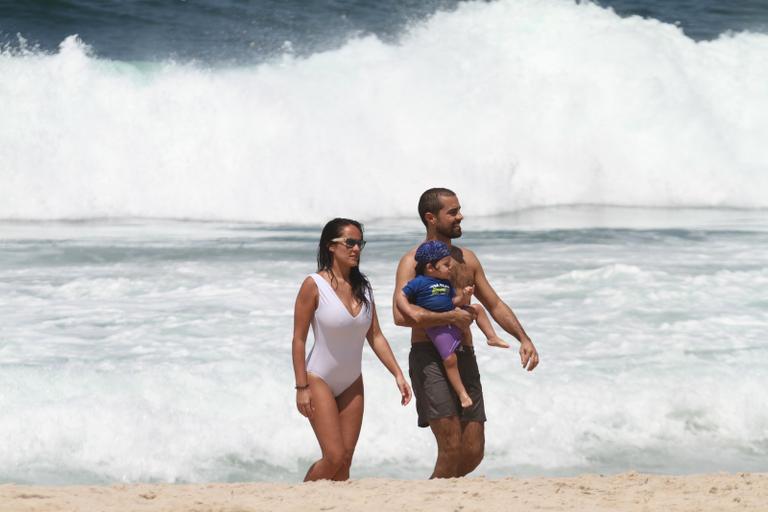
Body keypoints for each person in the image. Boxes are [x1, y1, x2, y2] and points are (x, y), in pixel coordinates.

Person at [393, 188, 539, 479]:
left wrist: (524, 338)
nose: (460, 216)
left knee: (473, 449)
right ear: (431, 218)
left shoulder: (467, 259)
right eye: (453, 212)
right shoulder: (413, 262)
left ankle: (435, 492)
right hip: (429, 356)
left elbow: (494, 304)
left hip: (463, 355)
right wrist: (449, 316)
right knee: (451, 445)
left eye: (459, 210)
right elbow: (400, 316)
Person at [292, 217, 412, 481]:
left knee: (345, 462)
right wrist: (301, 387)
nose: (357, 248)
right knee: (333, 456)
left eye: (360, 243)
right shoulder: (314, 285)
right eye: (350, 242)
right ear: (331, 246)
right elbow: (298, 340)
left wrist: (398, 374)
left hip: (352, 381)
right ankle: (301, 501)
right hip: (318, 378)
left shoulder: (363, 287)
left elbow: (376, 336)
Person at [396, 240, 510, 409]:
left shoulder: (446, 283)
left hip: (454, 317)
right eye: (446, 265)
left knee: (477, 308)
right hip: (437, 326)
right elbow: (401, 296)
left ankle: (491, 337)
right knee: (450, 360)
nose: (450, 267)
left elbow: (453, 301)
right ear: (430, 267)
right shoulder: (419, 282)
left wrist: (464, 296)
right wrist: (411, 312)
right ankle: (462, 394)